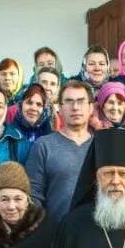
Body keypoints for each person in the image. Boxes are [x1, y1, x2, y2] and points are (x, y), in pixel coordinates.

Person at [26, 80, 94, 220]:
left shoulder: (101, 146)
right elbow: (34, 195)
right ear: (60, 109)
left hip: (96, 235)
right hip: (55, 233)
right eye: (69, 101)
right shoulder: (43, 146)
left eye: (81, 102)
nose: (75, 107)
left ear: (90, 108)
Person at [7, 83, 54, 161]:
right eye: (29, 102)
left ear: (44, 109)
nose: (33, 108)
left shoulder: (51, 138)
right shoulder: (8, 135)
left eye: (39, 104)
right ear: (20, 105)